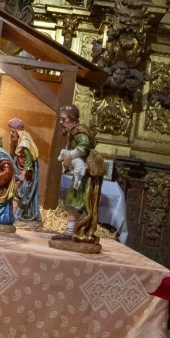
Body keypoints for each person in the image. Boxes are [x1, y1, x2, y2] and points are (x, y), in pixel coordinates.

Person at [51, 104, 104, 247]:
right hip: (81, 173)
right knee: (73, 198)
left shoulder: (79, 132)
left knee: (78, 200)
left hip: (86, 175)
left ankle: (76, 231)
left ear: (72, 119)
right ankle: (72, 231)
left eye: (63, 119)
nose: (61, 122)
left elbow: (84, 145)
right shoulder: (74, 132)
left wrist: (70, 156)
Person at [8, 117, 41, 223]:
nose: (10, 133)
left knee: (22, 191)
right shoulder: (18, 141)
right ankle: (15, 212)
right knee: (16, 191)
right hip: (19, 170)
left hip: (26, 174)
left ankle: (17, 213)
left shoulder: (25, 143)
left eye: (12, 131)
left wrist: (22, 176)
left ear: (18, 131)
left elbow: (28, 160)